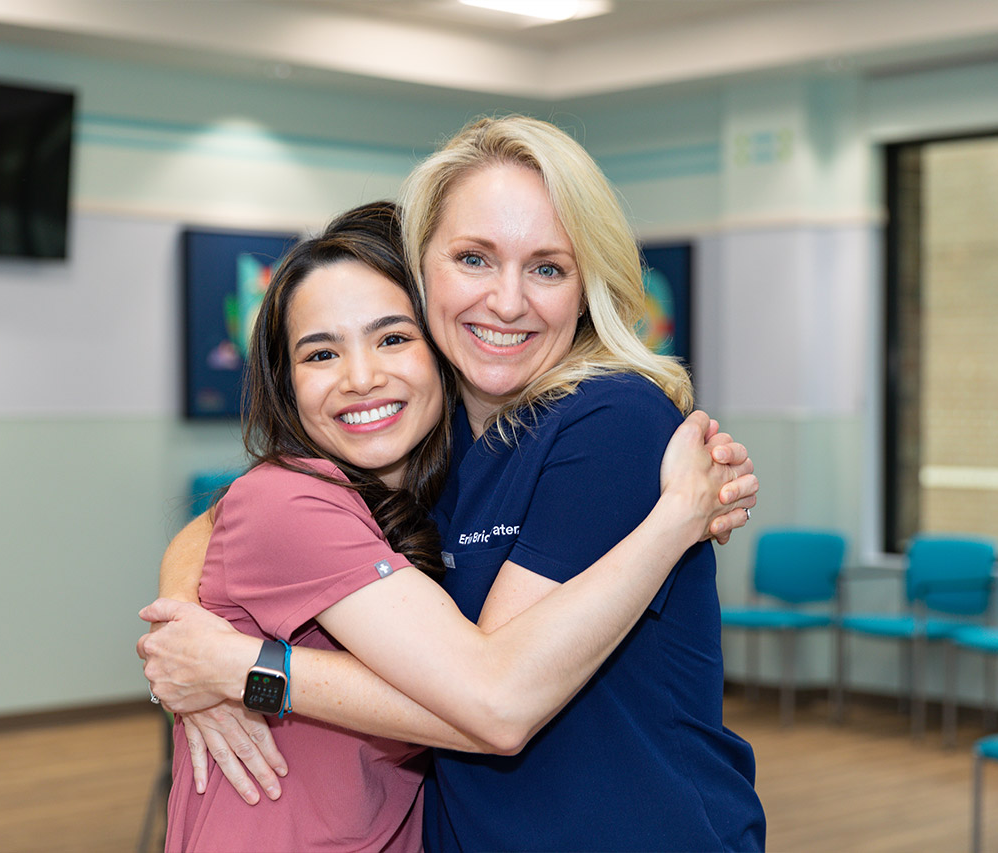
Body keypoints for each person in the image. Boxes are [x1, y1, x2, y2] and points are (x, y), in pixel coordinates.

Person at [141, 116, 766, 852]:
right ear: (422, 269)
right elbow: (231, 520)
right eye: (473, 258)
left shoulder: (612, 420)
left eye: (547, 267)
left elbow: (493, 701)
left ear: (586, 285)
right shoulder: (431, 451)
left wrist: (242, 669)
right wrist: (181, 632)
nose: (506, 300)